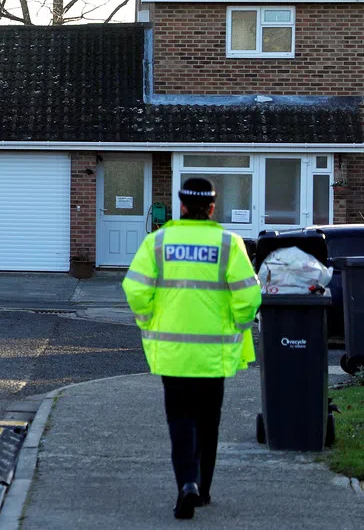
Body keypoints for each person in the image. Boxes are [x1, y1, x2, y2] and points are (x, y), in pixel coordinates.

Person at [122, 177, 262, 521]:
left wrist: (148, 321)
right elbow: (249, 296)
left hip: (173, 353)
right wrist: (236, 325)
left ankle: (186, 484)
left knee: (181, 421)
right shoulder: (229, 244)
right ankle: (204, 489)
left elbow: (135, 289)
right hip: (214, 355)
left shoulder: (158, 242)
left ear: (182, 206)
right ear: (212, 209)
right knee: (208, 423)